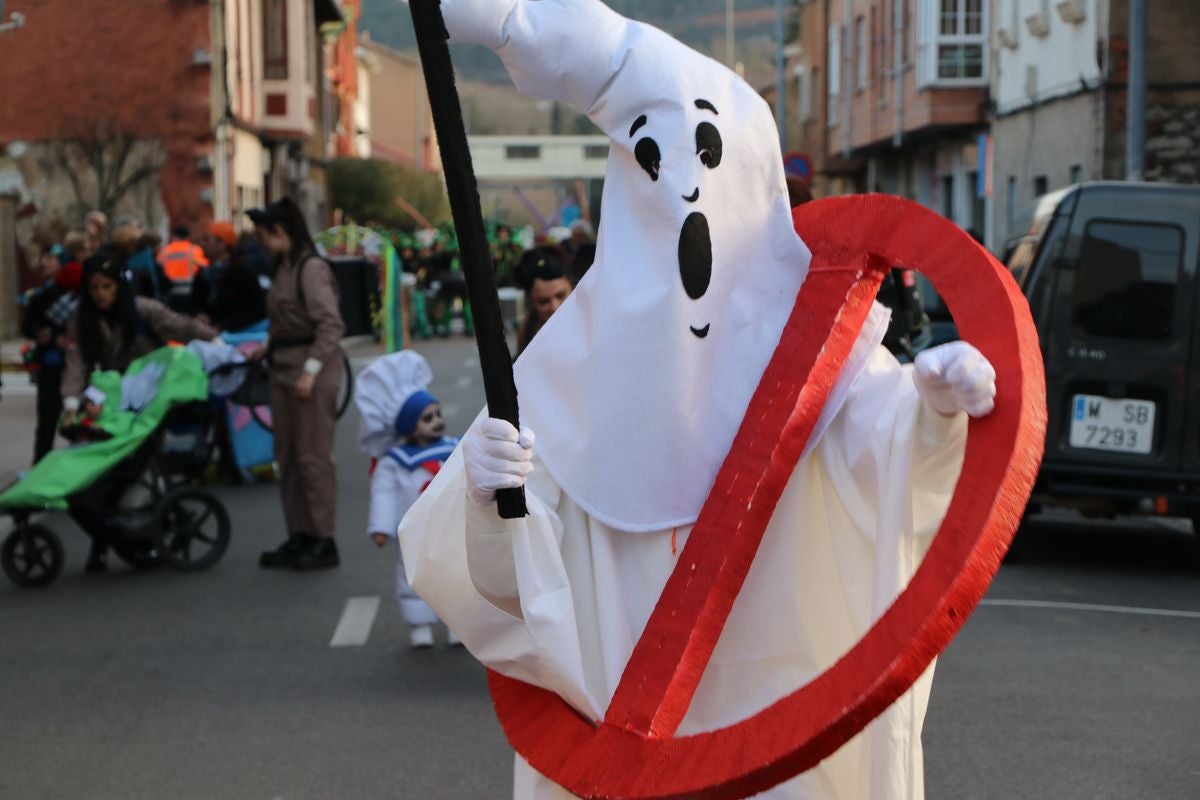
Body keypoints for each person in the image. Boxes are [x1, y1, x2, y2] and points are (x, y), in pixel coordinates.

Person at [398, 2, 997, 798]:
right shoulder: (567, 369)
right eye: (652, 163)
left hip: (779, 745)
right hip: (625, 732)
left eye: (708, 158)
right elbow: (512, 596)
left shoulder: (816, 354)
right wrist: (482, 498)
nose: (684, 194)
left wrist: (934, 409)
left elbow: (888, 466)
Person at [61, 250, 218, 571]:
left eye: (107, 286)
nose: (101, 294)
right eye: (94, 288)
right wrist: (70, 403)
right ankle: (102, 540)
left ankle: (144, 534)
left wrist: (219, 343)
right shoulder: (82, 319)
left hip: (148, 401)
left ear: (118, 286)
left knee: (137, 474)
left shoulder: (141, 310)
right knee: (93, 480)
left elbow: (180, 326)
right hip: (107, 404)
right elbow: (76, 364)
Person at [249, 197, 345, 570]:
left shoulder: (310, 268)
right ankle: (300, 535)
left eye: (263, 235)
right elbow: (284, 321)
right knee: (287, 457)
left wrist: (310, 369)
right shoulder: (282, 267)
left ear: (280, 231)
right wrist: (266, 346)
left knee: (313, 459)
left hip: (311, 373)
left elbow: (331, 325)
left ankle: (324, 539)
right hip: (283, 368)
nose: (260, 243)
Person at [354, 351, 461, 648]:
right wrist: (381, 527)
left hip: (451, 527)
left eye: (438, 414)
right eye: (428, 418)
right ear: (409, 426)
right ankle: (419, 626)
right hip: (413, 531)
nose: (437, 421)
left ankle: (458, 624)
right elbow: (383, 495)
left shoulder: (455, 449)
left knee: (456, 576)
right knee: (412, 578)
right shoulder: (394, 462)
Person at [20, 243, 82, 462]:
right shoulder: (42, 294)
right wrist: (46, 336)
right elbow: (27, 327)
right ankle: (40, 470)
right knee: (46, 423)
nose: (44, 262)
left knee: (80, 424)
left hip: (78, 367)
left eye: (51, 258)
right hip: (50, 365)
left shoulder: (81, 292)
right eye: (43, 258)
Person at [190, 221, 267, 333]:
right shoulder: (204, 272)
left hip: (237, 338)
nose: (201, 244)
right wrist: (199, 313)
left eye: (206, 239)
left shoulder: (242, 272)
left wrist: (224, 325)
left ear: (222, 243)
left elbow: (257, 310)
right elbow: (193, 301)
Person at [515, 247, 573, 355]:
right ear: (531, 302)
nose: (554, 307)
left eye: (560, 296)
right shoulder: (527, 329)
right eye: (543, 301)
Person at [157, 225, 209, 311]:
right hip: (190, 293)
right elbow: (204, 267)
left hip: (170, 294)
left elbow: (158, 270)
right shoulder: (195, 250)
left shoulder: (164, 251)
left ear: (174, 236)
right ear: (188, 236)